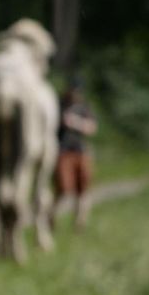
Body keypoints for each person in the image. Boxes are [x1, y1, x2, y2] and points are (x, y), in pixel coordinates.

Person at [54, 79, 98, 230]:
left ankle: (80, 223)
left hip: (81, 151)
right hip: (63, 151)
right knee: (64, 189)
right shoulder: (59, 105)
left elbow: (91, 128)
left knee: (84, 188)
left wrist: (75, 123)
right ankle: (51, 218)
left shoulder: (84, 107)